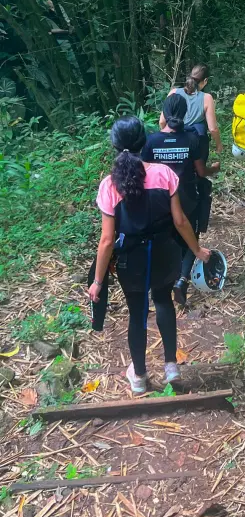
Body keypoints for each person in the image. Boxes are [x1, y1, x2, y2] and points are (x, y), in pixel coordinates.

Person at [88, 116, 211, 394]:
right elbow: (180, 222)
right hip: (166, 253)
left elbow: (107, 240)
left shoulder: (110, 185)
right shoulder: (165, 174)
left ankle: (140, 377)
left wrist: (97, 280)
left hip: (132, 261)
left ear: (115, 147)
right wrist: (196, 250)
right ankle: (171, 368)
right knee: (163, 301)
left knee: (137, 313)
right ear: (144, 142)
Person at [142, 94, 222, 306]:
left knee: (161, 239)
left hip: (158, 200)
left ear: (165, 114)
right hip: (187, 197)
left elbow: (144, 172)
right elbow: (200, 171)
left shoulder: (151, 141)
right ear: (185, 113)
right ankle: (181, 281)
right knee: (190, 237)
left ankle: (157, 285)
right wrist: (213, 169)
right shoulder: (191, 139)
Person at [160, 64, 222, 234]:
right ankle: (196, 215)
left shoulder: (173, 93)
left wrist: (163, 139)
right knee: (197, 176)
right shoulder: (206, 97)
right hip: (197, 141)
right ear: (205, 81)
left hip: (173, 138)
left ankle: (172, 211)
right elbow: (213, 128)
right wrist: (218, 144)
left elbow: (162, 122)